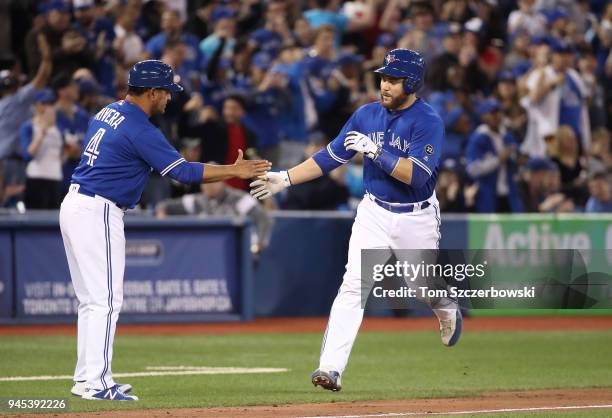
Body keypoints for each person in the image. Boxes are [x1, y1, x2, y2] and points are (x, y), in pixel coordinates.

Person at [250, 49, 462, 392]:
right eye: (384, 78)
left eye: (393, 80)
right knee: (353, 286)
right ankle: (330, 368)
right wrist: (286, 178)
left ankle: (445, 305)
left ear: (412, 82)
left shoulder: (428, 121)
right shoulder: (366, 115)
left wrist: (377, 152)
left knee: (420, 287)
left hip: (416, 216)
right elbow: (331, 155)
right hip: (374, 211)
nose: (385, 85)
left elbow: (417, 177)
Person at [59, 60, 270, 401]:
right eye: (167, 92)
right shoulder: (139, 128)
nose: (170, 99)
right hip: (97, 209)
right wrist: (236, 169)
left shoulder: (109, 111)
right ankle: (96, 383)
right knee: (105, 300)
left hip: (77, 203)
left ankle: (87, 378)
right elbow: (183, 173)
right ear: (153, 92)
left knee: (92, 300)